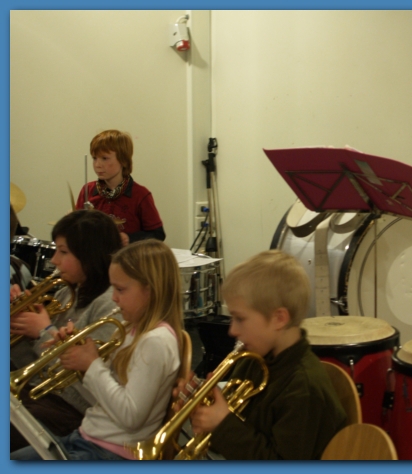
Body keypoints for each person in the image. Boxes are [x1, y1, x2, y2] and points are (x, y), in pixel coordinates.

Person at [11, 239, 184, 460]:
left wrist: (92, 365)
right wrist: (73, 356)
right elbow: (103, 396)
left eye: (120, 289)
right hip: (86, 437)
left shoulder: (156, 342)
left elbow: (131, 416)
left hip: (109, 452)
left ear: (150, 290)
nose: (113, 297)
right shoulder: (130, 329)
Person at [173, 250, 347, 460]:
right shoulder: (252, 360)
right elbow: (232, 441)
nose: (232, 330)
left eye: (240, 319)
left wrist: (222, 425)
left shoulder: (303, 389)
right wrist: (203, 410)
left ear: (279, 319)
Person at [10, 209, 124, 451]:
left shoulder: (110, 305)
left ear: (89, 255)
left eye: (63, 252)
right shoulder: (67, 292)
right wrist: (19, 325)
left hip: (75, 410)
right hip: (42, 395)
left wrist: (43, 331)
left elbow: (85, 386)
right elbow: (33, 368)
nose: (54, 260)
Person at [76, 129, 165, 246]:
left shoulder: (140, 195)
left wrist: (129, 238)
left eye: (104, 158)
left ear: (123, 160)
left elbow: (158, 235)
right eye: (94, 158)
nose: (97, 165)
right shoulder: (87, 190)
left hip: (128, 256)